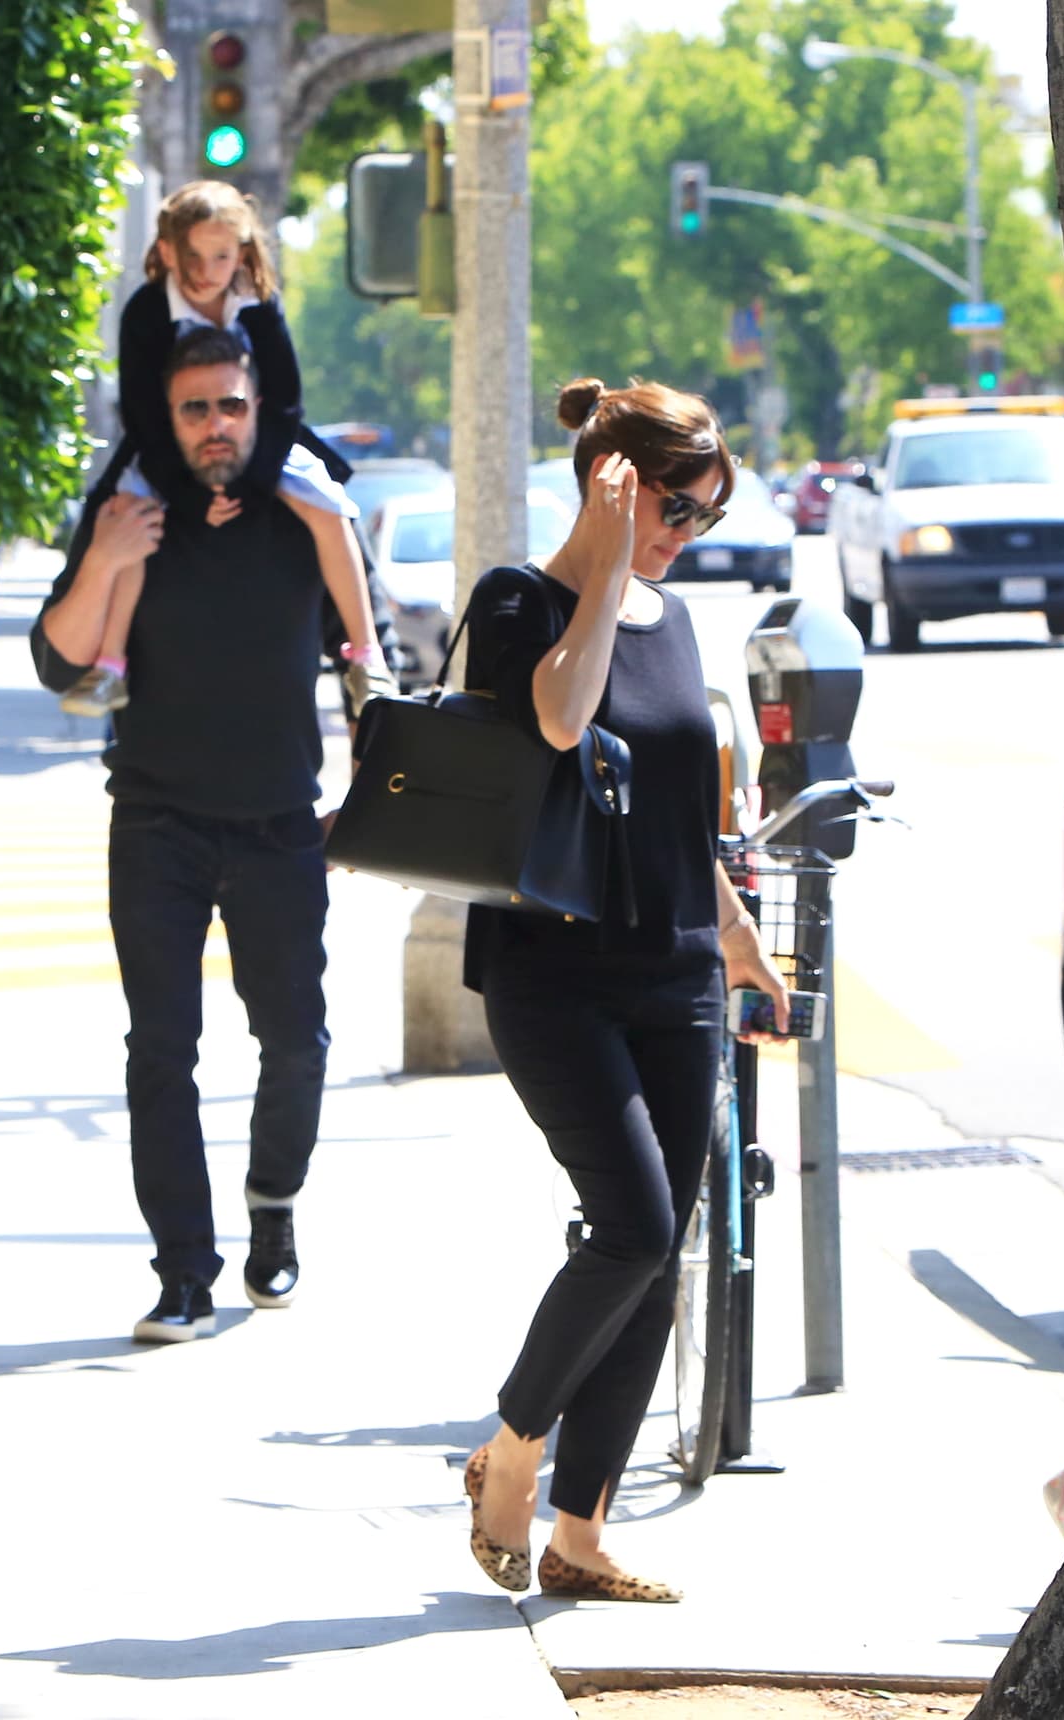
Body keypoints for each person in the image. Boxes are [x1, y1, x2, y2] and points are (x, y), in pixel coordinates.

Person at [458, 377, 788, 1602]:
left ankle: (578, 1534)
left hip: (676, 971)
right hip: (552, 977)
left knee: (656, 1254)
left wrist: (734, 926)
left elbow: (669, 815)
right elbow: (555, 717)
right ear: (609, 477)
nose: (679, 534)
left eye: (701, 517)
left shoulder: (675, 617)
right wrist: (601, 572)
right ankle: (512, 1444)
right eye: (669, 505)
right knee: (635, 1228)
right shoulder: (519, 600)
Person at [31, 324, 335, 1342]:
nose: (216, 425)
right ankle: (183, 1273)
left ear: (260, 408)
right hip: (155, 821)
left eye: (231, 405)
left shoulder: (304, 507)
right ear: (167, 418)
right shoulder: (133, 509)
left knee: (293, 1042)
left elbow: (366, 640)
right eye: (195, 408)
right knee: (161, 1051)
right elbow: (57, 661)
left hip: (281, 825)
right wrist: (105, 555)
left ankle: (273, 1208)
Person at [60, 178, 388, 721]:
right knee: (129, 517)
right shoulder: (145, 311)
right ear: (167, 251)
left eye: (223, 255)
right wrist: (187, 494)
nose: (210, 269)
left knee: (330, 506)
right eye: (194, 255)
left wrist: (253, 482)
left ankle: (366, 656)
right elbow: (143, 414)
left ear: (243, 251)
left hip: (262, 445)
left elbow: (284, 400)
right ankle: (111, 665)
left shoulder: (258, 301)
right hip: (168, 450)